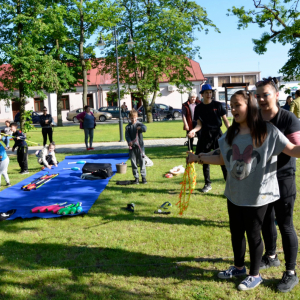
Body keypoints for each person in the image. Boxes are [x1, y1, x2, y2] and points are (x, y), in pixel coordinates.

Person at [187, 90, 300, 291]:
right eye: (230, 105)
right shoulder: (231, 133)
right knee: (236, 233)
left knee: (254, 235)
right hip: (235, 193)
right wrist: (198, 158)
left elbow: (292, 150)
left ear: (250, 106)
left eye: (237, 105)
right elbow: (222, 158)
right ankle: (239, 267)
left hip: (259, 196)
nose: (232, 109)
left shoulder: (268, 131)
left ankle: (255, 275)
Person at [256, 77, 300, 293]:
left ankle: (291, 273)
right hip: (261, 178)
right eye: (258, 96)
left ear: (276, 94)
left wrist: (276, 141)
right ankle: (271, 256)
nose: (262, 99)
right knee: (265, 220)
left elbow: (296, 150)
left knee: (285, 224)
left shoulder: (288, 118)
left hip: (284, 177)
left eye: (266, 94)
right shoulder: (254, 118)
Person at [188, 84, 230, 193]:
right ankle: (207, 183)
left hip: (217, 135)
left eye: (210, 92)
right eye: (206, 92)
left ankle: (229, 185)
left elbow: (225, 120)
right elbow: (199, 125)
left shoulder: (218, 105)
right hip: (204, 136)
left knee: (223, 159)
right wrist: (193, 130)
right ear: (202, 94)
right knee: (203, 159)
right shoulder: (198, 108)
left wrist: (231, 130)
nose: (209, 94)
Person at [125, 109, 147, 184]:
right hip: (132, 148)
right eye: (131, 118)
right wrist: (129, 142)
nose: (133, 119)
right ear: (129, 118)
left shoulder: (139, 124)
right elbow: (127, 136)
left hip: (140, 147)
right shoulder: (128, 127)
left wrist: (141, 128)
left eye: (134, 118)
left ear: (137, 117)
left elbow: (145, 128)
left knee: (142, 162)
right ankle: (136, 178)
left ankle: (143, 178)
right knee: (133, 163)